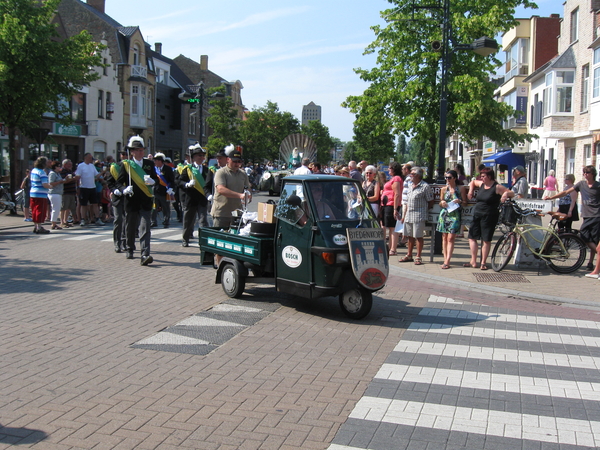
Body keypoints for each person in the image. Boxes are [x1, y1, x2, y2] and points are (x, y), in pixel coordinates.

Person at [548, 165, 600, 274]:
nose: (585, 174)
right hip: (586, 215)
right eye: (584, 172)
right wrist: (552, 197)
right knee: (587, 238)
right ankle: (594, 261)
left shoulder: (598, 186)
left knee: (591, 239)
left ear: (593, 174)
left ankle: (591, 263)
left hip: (596, 216)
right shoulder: (581, 184)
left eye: (588, 172)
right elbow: (566, 192)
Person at [117, 136, 158, 265]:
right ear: (132, 152)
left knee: (145, 227)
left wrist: (154, 181)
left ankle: (145, 254)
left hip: (145, 200)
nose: (141, 153)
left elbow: (155, 179)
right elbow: (118, 183)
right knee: (130, 226)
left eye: (142, 150)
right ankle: (130, 248)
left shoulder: (149, 164)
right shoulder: (127, 165)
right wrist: (124, 189)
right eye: (137, 150)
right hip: (131, 200)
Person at [466, 167, 515, 270]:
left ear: (489, 176)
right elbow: (473, 182)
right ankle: (473, 260)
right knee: (472, 237)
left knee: (486, 240)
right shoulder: (482, 184)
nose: (481, 178)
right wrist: (470, 191)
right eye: (481, 176)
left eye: (483, 176)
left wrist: (506, 193)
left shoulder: (496, 187)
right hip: (477, 213)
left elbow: (512, 193)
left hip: (489, 216)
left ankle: (483, 262)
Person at [177, 143, 213, 247]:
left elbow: (209, 185)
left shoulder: (207, 170)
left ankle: (203, 241)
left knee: (203, 220)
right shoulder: (188, 169)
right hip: (190, 199)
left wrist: (210, 195)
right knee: (188, 220)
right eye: (199, 156)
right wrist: (187, 184)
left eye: (203, 156)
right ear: (193, 157)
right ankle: (185, 239)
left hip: (202, 199)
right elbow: (179, 182)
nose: (202, 158)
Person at [210, 144, 251, 230]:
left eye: (239, 161)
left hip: (237, 213)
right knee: (220, 239)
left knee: (235, 239)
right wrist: (240, 195)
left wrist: (248, 196)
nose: (237, 164)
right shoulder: (221, 172)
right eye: (234, 161)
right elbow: (221, 189)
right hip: (222, 213)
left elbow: (248, 188)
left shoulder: (243, 174)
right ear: (228, 160)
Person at [399, 167, 433, 265]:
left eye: (412, 174)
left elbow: (430, 201)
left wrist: (424, 210)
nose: (410, 175)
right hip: (409, 214)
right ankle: (409, 255)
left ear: (418, 176)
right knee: (409, 235)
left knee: (418, 236)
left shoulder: (425, 186)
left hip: (419, 214)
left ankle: (418, 256)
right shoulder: (409, 185)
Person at [437, 170, 468, 269]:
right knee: (444, 237)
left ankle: (448, 261)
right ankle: (445, 259)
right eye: (446, 177)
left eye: (449, 177)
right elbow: (440, 202)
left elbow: (465, 202)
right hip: (445, 214)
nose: (447, 179)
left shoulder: (460, 188)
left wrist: (460, 201)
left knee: (451, 238)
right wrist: (442, 203)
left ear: (454, 178)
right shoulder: (443, 189)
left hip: (455, 215)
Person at [105, 155, 126, 253]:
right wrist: (114, 190)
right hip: (117, 197)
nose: (124, 157)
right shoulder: (115, 167)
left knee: (127, 220)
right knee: (118, 219)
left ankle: (125, 242)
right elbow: (110, 181)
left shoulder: (132, 167)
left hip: (128, 197)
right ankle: (117, 243)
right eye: (123, 155)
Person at [381, 162, 403, 255]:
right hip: (386, 205)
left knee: (392, 227)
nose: (388, 170)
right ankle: (390, 247)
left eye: (390, 168)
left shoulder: (397, 178)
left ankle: (393, 248)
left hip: (391, 205)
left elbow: (397, 193)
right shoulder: (393, 178)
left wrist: (395, 209)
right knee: (389, 227)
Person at [29, 157, 55, 234]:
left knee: (34, 210)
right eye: (47, 162)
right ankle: (39, 227)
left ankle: (36, 226)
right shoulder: (42, 172)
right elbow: (44, 184)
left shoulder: (34, 170)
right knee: (40, 210)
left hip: (33, 193)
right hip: (41, 194)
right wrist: (50, 186)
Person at [75, 153, 102, 226]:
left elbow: (97, 175)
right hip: (84, 187)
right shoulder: (81, 166)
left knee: (95, 203)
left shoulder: (92, 166)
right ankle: (83, 219)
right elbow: (78, 177)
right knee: (84, 204)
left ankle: (97, 218)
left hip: (92, 187)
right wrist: (77, 187)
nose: (91, 159)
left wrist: (103, 172)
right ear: (86, 158)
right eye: (90, 158)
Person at [151, 152, 175, 229]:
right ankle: (153, 221)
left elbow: (172, 180)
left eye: (156, 160)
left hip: (165, 192)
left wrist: (171, 188)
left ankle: (166, 221)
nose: (155, 162)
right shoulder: (153, 169)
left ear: (160, 161)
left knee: (166, 207)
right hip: (155, 191)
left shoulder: (168, 169)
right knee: (154, 207)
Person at [48, 161, 68, 230]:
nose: (60, 167)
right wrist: (60, 182)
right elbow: (51, 183)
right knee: (55, 208)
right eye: (59, 166)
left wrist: (65, 180)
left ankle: (54, 223)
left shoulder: (58, 174)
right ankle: (53, 224)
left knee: (57, 208)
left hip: (58, 193)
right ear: (55, 167)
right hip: (54, 193)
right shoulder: (52, 173)